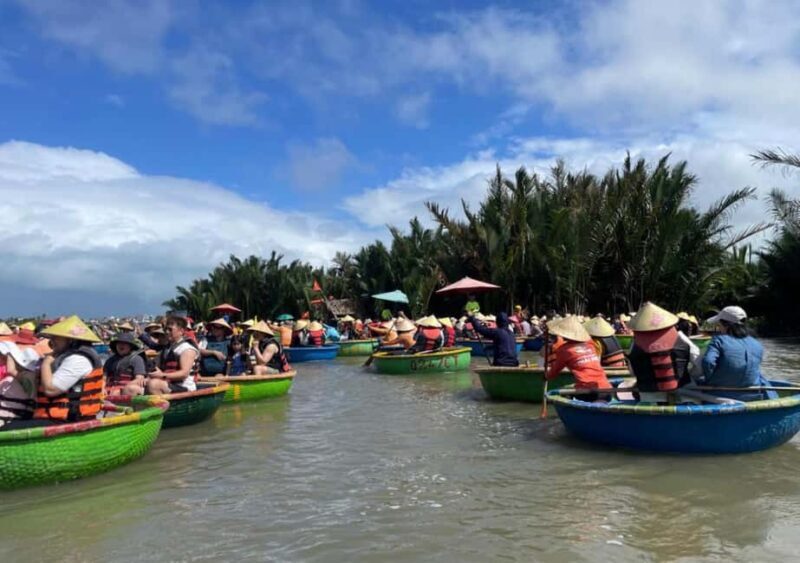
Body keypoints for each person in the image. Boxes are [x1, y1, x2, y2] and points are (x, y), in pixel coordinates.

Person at [3, 316, 104, 430]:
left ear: (71, 340)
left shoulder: (79, 359)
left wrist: (46, 363)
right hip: (48, 416)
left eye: (56, 337)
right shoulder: (62, 356)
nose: (51, 341)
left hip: (69, 419)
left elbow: (50, 390)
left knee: (6, 430)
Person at [627, 302, 701, 403]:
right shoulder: (681, 337)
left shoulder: (635, 343)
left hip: (650, 399)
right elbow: (698, 363)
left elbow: (632, 372)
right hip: (685, 395)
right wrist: (690, 375)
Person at [700, 306, 772, 401]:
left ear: (724, 324)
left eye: (719, 324)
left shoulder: (719, 340)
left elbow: (708, 362)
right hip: (753, 395)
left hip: (720, 394)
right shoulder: (756, 343)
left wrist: (709, 379)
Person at [545, 317, 610, 399]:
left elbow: (554, 372)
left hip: (588, 391)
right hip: (607, 387)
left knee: (564, 395)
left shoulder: (564, 350)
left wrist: (546, 376)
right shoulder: (590, 344)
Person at [147, 313, 199, 395]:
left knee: (154, 384)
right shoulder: (167, 348)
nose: (167, 332)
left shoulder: (187, 349)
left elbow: (184, 374)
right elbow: (156, 367)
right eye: (166, 329)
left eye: (170, 329)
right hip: (168, 384)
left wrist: (162, 375)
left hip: (184, 387)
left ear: (181, 331)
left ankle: (163, 403)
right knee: (132, 388)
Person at [0, 342, 41, 429]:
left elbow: (11, 370)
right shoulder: (18, 377)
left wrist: (9, 353)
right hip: (7, 414)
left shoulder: (29, 376)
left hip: (13, 417)